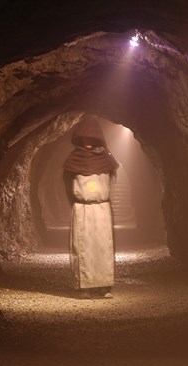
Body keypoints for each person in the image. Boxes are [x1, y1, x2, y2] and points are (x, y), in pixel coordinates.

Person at [62, 116, 119, 299]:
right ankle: (84, 286)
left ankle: (104, 285)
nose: (87, 142)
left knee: (103, 247)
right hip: (83, 208)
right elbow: (67, 185)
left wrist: (103, 200)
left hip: (102, 208)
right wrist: (77, 202)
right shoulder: (73, 161)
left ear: (97, 139)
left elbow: (112, 182)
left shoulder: (107, 160)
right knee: (84, 247)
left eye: (91, 138)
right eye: (84, 138)